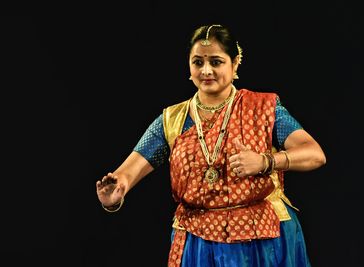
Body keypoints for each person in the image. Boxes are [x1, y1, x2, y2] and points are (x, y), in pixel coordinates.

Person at [96, 24, 326, 267]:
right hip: (198, 241)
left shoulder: (263, 108)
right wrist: (116, 191)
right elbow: (128, 171)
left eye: (216, 62)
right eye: (198, 62)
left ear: (235, 63)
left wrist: (266, 161)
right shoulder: (173, 119)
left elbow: (314, 154)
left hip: (260, 238)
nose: (206, 71)